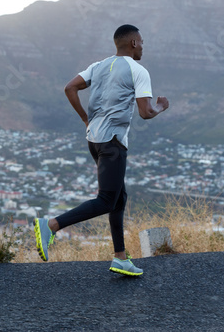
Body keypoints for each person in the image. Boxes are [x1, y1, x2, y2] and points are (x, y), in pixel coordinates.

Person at [33, 24, 169, 276]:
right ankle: (51, 225)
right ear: (133, 43)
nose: (143, 46)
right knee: (106, 200)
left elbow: (69, 87)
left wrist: (86, 118)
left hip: (94, 140)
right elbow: (146, 112)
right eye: (142, 41)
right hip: (113, 144)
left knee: (119, 198)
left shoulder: (98, 66)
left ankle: (120, 258)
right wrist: (162, 106)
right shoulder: (138, 70)